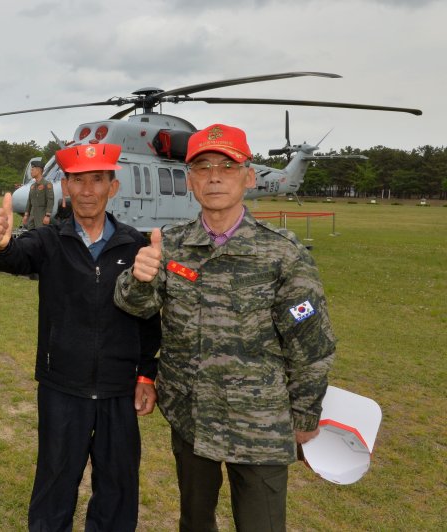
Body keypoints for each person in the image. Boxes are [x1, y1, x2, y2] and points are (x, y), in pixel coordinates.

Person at [114, 123, 336, 531]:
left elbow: (312, 345)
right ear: (190, 180)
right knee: (194, 521)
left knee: (261, 524)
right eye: (202, 167)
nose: (214, 176)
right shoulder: (172, 245)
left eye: (227, 166)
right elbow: (136, 307)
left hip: (260, 422)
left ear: (248, 176)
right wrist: (138, 278)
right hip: (191, 415)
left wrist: (305, 415)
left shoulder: (282, 254)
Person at [0, 143, 161, 531]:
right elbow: (16, 256)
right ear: (65, 185)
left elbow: (149, 319)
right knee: (54, 488)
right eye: (78, 180)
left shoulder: (134, 245)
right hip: (62, 386)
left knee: (117, 491)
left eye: (97, 180)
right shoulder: (50, 241)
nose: (86, 190)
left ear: (112, 187)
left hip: (118, 389)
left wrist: (147, 374)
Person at [21, 160, 53, 229]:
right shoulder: (32, 186)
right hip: (32, 215)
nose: (31, 172)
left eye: (32, 170)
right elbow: (29, 201)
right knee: (31, 234)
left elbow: (50, 200)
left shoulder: (47, 184)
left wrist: (47, 216)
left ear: (38, 170)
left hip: (41, 214)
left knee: (41, 234)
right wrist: (26, 215)